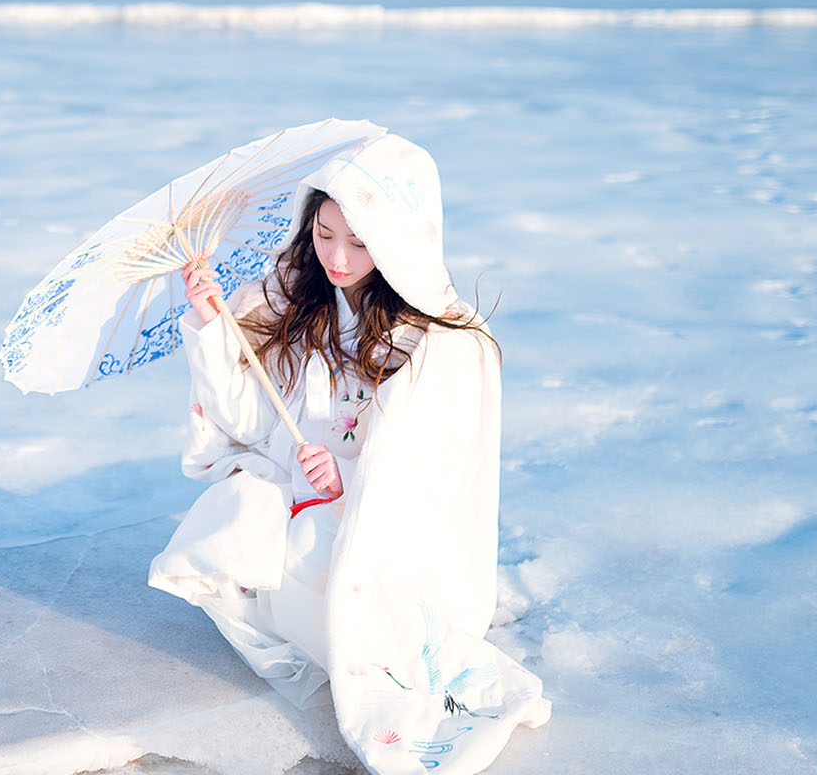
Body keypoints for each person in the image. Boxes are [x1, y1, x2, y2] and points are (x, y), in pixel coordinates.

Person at [148, 133, 550, 775]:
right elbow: (250, 420)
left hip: (382, 529)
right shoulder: (295, 301)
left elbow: (437, 476)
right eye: (324, 233)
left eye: (360, 242)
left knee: (316, 556)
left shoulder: (442, 345)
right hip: (303, 499)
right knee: (242, 514)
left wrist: (347, 476)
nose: (336, 256)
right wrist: (214, 327)